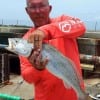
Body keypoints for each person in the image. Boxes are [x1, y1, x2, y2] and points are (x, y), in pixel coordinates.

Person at [19, 0, 87, 100]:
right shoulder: (25, 41)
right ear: (27, 10)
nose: (38, 11)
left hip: (73, 96)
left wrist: (45, 30)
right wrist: (37, 69)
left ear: (50, 8)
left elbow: (81, 26)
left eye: (42, 6)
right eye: (33, 7)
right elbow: (27, 78)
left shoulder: (63, 21)